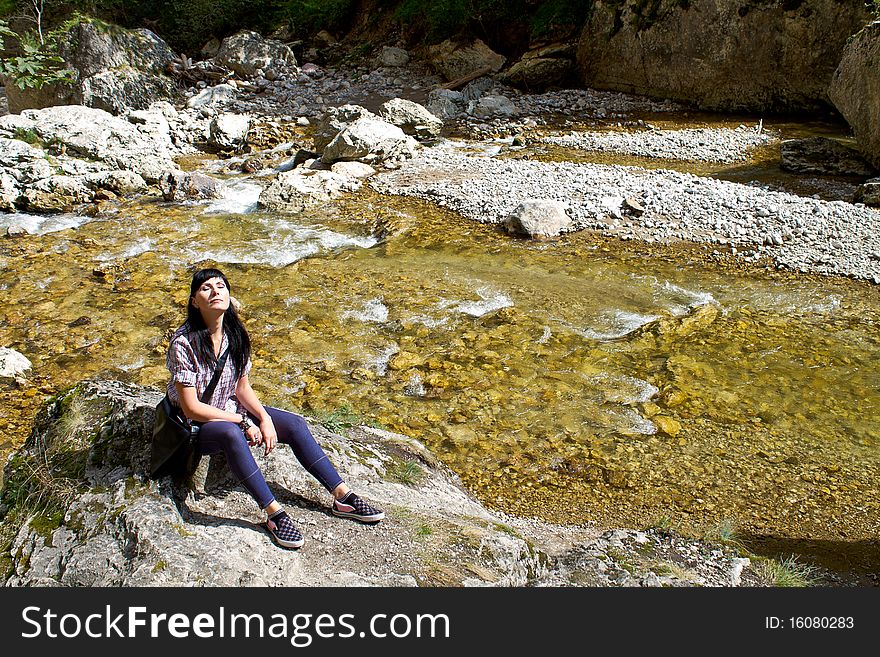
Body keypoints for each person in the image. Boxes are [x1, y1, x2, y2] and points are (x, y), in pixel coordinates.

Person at [165, 267, 384, 549]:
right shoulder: (184, 342)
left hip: (228, 408)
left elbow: (241, 388)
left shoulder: (235, 334)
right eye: (206, 288)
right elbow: (192, 408)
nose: (215, 291)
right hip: (195, 427)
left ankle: (342, 497)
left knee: (293, 424)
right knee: (230, 434)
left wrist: (264, 417)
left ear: (229, 296)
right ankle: (274, 514)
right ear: (195, 301)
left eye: (221, 286)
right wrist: (242, 422)